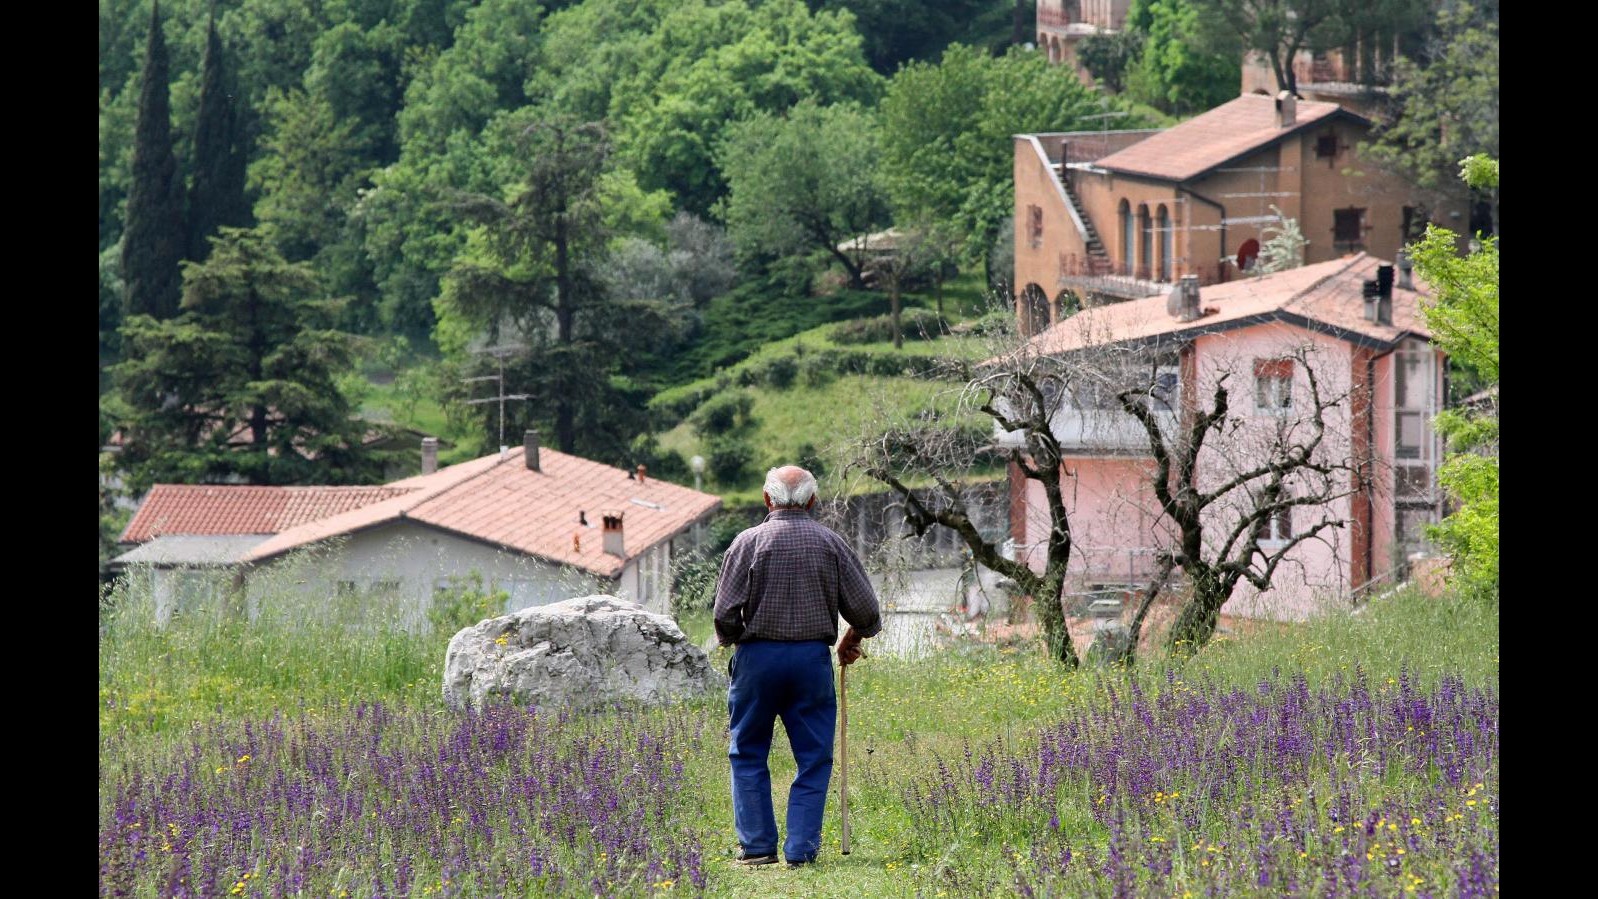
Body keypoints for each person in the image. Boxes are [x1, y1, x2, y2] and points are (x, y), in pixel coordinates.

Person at [713, 465, 881, 869]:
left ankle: (757, 849)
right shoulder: (831, 543)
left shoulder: (746, 543)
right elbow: (866, 611)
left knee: (748, 751)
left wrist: (740, 639)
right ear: (811, 501)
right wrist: (851, 639)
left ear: (767, 499)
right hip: (810, 660)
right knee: (814, 757)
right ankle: (801, 851)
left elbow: (724, 614)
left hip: (757, 660)